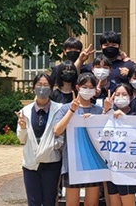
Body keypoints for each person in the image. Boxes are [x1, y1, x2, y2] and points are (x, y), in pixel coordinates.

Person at [53, 72, 109, 206]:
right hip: (72, 163)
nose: (87, 90)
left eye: (91, 87)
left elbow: (106, 134)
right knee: (72, 202)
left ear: (96, 90)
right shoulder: (66, 108)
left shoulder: (98, 110)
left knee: (92, 202)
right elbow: (57, 130)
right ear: (77, 87)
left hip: (93, 162)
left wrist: (106, 113)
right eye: (85, 86)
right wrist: (72, 111)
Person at [17, 73, 63, 206]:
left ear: (51, 88)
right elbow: (21, 139)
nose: (42, 88)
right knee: (33, 201)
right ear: (33, 87)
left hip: (51, 162)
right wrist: (23, 127)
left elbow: (62, 134)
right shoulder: (25, 111)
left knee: (49, 200)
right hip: (31, 163)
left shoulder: (59, 109)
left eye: (46, 85)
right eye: (39, 85)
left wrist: (53, 145)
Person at [108, 83, 136, 206]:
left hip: (127, 168)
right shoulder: (108, 115)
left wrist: (124, 118)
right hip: (111, 166)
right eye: (118, 94)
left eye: (124, 94)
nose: (120, 97)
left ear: (131, 98)